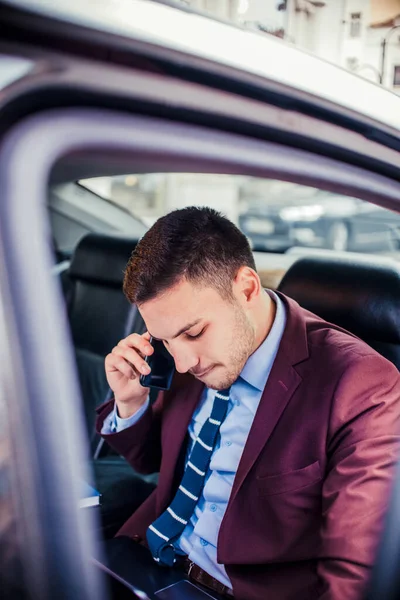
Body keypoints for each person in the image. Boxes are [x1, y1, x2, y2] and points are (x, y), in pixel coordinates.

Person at [96, 206, 400, 600]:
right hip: (146, 562)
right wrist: (130, 401)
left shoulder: (361, 387)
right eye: (167, 340)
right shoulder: (193, 354)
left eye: (194, 333)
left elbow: (354, 575)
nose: (184, 363)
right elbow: (157, 463)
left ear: (247, 288)